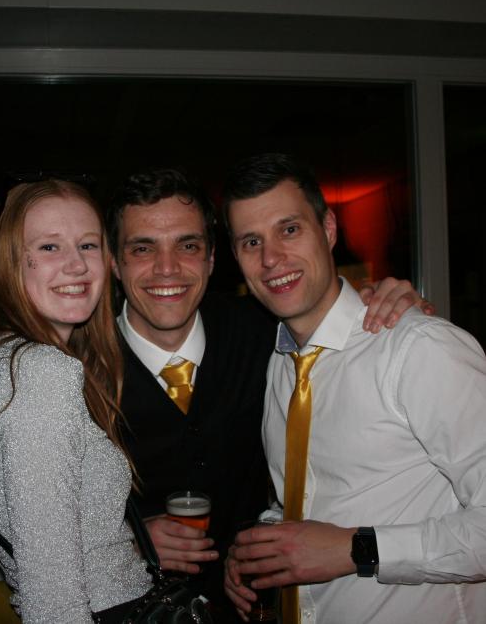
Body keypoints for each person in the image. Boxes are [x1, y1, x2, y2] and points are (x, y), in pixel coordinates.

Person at [105, 167, 431, 620]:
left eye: (188, 245)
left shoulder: (269, 333)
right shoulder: (77, 370)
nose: (167, 268)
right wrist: (124, 540)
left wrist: (378, 301)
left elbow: (329, 312)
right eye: (142, 248)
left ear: (212, 258)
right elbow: (34, 526)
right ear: (114, 263)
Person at [222, 153, 486, 624]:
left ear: (328, 229)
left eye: (289, 229)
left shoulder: (420, 349)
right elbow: (311, 498)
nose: (270, 259)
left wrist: (358, 548)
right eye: (251, 242)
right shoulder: (280, 364)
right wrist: (261, 545)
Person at [0, 180, 151, 623]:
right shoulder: (38, 372)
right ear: (9, 263)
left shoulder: (1, 360)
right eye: (49, 247)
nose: (76, 264)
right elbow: (53, 602)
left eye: (87, 245)